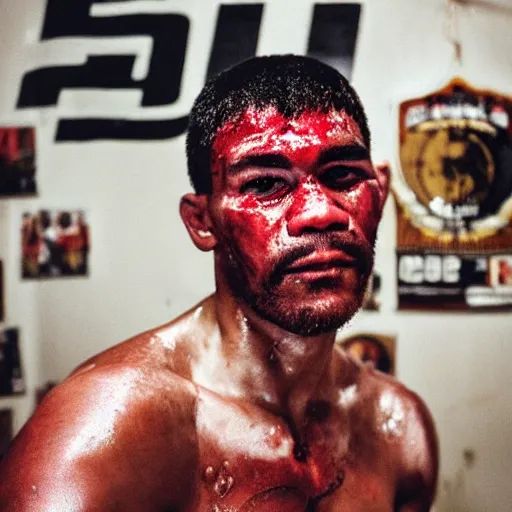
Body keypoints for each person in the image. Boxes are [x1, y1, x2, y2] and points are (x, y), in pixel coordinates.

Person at [0, 55, 438, 511]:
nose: (319, 212)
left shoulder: (399, 428)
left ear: (379, 194)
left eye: (343, 176)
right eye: (267, 183)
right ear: (202, 221)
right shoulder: (108, 429)